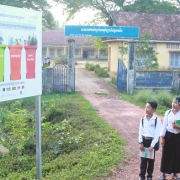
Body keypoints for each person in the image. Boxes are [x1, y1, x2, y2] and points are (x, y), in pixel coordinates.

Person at [139, 101, 162, 180]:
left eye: (148, 107)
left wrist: (152, 146)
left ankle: (149, 176)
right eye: (146, 107)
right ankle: (141, 176)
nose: (146, 109)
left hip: (151, 142)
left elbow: (156, 135)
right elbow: (140, 131)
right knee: (143, 160)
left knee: (151, 161)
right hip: (144, 141)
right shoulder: (142, 119)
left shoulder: (156, 120)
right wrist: (140, 142)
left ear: (153, 109)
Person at [159, 97, 180, 180]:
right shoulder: (168, 113)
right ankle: (163, 174)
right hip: (168, 135)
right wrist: (162, 138)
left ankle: (175, 174)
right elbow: (164, 126)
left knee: (177, 155)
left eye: (175, 102)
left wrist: (177, 126)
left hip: (178, 136)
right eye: (172, 102)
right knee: (166, 154)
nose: (173, 104)